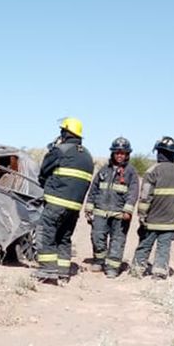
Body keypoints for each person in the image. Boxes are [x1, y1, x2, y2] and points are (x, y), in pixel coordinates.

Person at [34, 117, 94, 284]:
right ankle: (63, 272)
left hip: (56, 203)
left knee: (45, 233)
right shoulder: (87, 156)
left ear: (65, 132)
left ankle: (47, 270)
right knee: (64, 238)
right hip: (74, 208)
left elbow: (44, 172)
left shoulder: (60, 150)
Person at [132, 136, 174, 280]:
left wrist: (142, 215)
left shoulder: (152, 171)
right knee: (164, 247)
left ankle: (137, 270)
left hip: (152, 219)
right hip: (171, 221)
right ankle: (159, 272)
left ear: (159, 153)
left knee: (145, 244)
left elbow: (145, 196)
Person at [84, 137, 139, 278]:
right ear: (113, 153)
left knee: (117, 241)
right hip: (100, 212)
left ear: (127, 154)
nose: (119, 155)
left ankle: (112, 268)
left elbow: (133, 193)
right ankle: (99, 261)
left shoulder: (131, 172)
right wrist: (89, 207)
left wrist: (128, 210)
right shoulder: (104, 170)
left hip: (120, 215)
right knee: (97, 237)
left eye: (123, 153)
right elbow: (93, 189)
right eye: (117, 153)